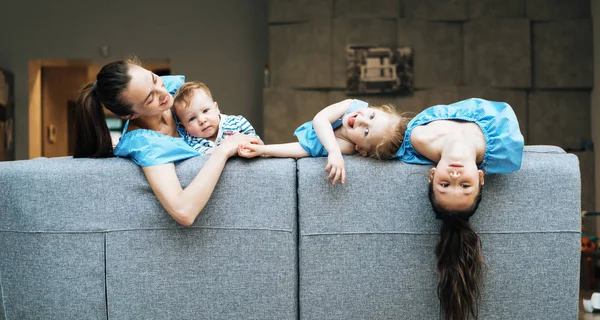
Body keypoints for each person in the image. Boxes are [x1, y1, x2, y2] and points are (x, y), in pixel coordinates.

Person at [396, 97, 524, 320]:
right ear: (480, 178)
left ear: (432, 175)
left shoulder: (418, 140)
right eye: (465, 185)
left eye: (445, 185)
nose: (455, 176)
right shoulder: (505, 147)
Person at [73, 57, 261, 226]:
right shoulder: (147, 144)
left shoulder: (172, 94)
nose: (162, 93)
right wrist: (223, 151)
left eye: (155, 79)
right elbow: (183, 211)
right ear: (130, 115)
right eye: (150, 98)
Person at [237, 99, 408, 184]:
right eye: (372, 115)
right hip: (318, 128)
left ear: (361, 149)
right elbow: (320, 119)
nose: (362, 120)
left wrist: (263, 150)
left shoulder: (347, 147)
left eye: (366, 131)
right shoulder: (352, 105)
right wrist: (333, 152)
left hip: (316, 138)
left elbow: (303, 149)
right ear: (374, 108)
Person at [173, 81, 258, 155]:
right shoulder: (191, 140)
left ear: (216, 108)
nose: (202, 120)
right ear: (184, 126)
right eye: (192, 119)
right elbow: (203, 157)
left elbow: (257, 143)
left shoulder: (237, 122)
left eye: (205, 111)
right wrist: (227, 148)